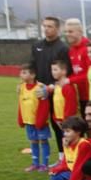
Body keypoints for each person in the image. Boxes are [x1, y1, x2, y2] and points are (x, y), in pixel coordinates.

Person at [30, 16, 71, 156]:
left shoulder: (63, 48)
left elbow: (66, 72)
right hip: (40, 92)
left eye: (50, 26)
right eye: (45, 26)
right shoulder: (37, 46)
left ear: (57, 29)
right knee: (38, 122)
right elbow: (32, 67)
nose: (46, 29)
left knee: (59, 124)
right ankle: (41, 159)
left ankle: (64, 156)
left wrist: (53, 87)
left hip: (56, 92)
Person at [18, 64, 51, 171]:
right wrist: (20, 118)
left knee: (43, 141)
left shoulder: (40, 88)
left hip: (40, 122)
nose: (21, 75)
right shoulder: (21, 87)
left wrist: (41, 121)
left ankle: (45, 165)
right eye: (21, 72)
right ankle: (35, 163)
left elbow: (44, 106)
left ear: (33, 75)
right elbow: (21, 103)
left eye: (24, 72)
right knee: (33, 142)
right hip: (28, 121)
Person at [64, 18, 90, 103]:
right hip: (78, 96)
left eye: (70, 32)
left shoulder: (89, 48)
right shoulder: (71, 50)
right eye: (66, 32)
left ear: (80, 32)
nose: (67, 34)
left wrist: (69, 80)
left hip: (90, 96)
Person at [50, 60, 79, 128]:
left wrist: (66, 119)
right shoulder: (57, 86)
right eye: (52, 70)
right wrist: (56, 118)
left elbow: (71, 105)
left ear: (64, 71)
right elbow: (56, 104)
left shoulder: (67, 87)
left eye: (55, 70)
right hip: (61, 121)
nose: (53, 72)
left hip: (70, 122)